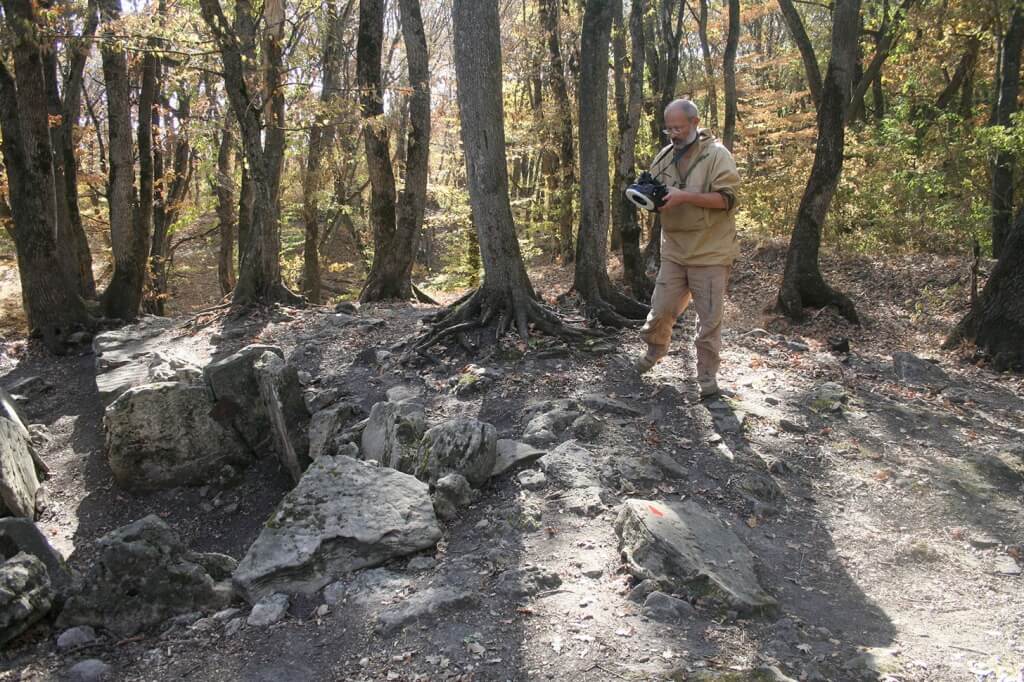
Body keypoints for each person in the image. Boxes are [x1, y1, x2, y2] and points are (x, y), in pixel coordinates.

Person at [634, 99, 740, 400]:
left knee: (708, 320)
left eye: (678, 127)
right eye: (668, 128)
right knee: (661, 309)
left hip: (710, 250)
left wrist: (684, 197)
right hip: (675, 248)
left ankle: (706, 376)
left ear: (694, 123)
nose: (673, 133)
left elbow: (727, 199)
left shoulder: (717, 155)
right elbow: (657, 195)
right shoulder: (664, 156)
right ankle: (655, 350)